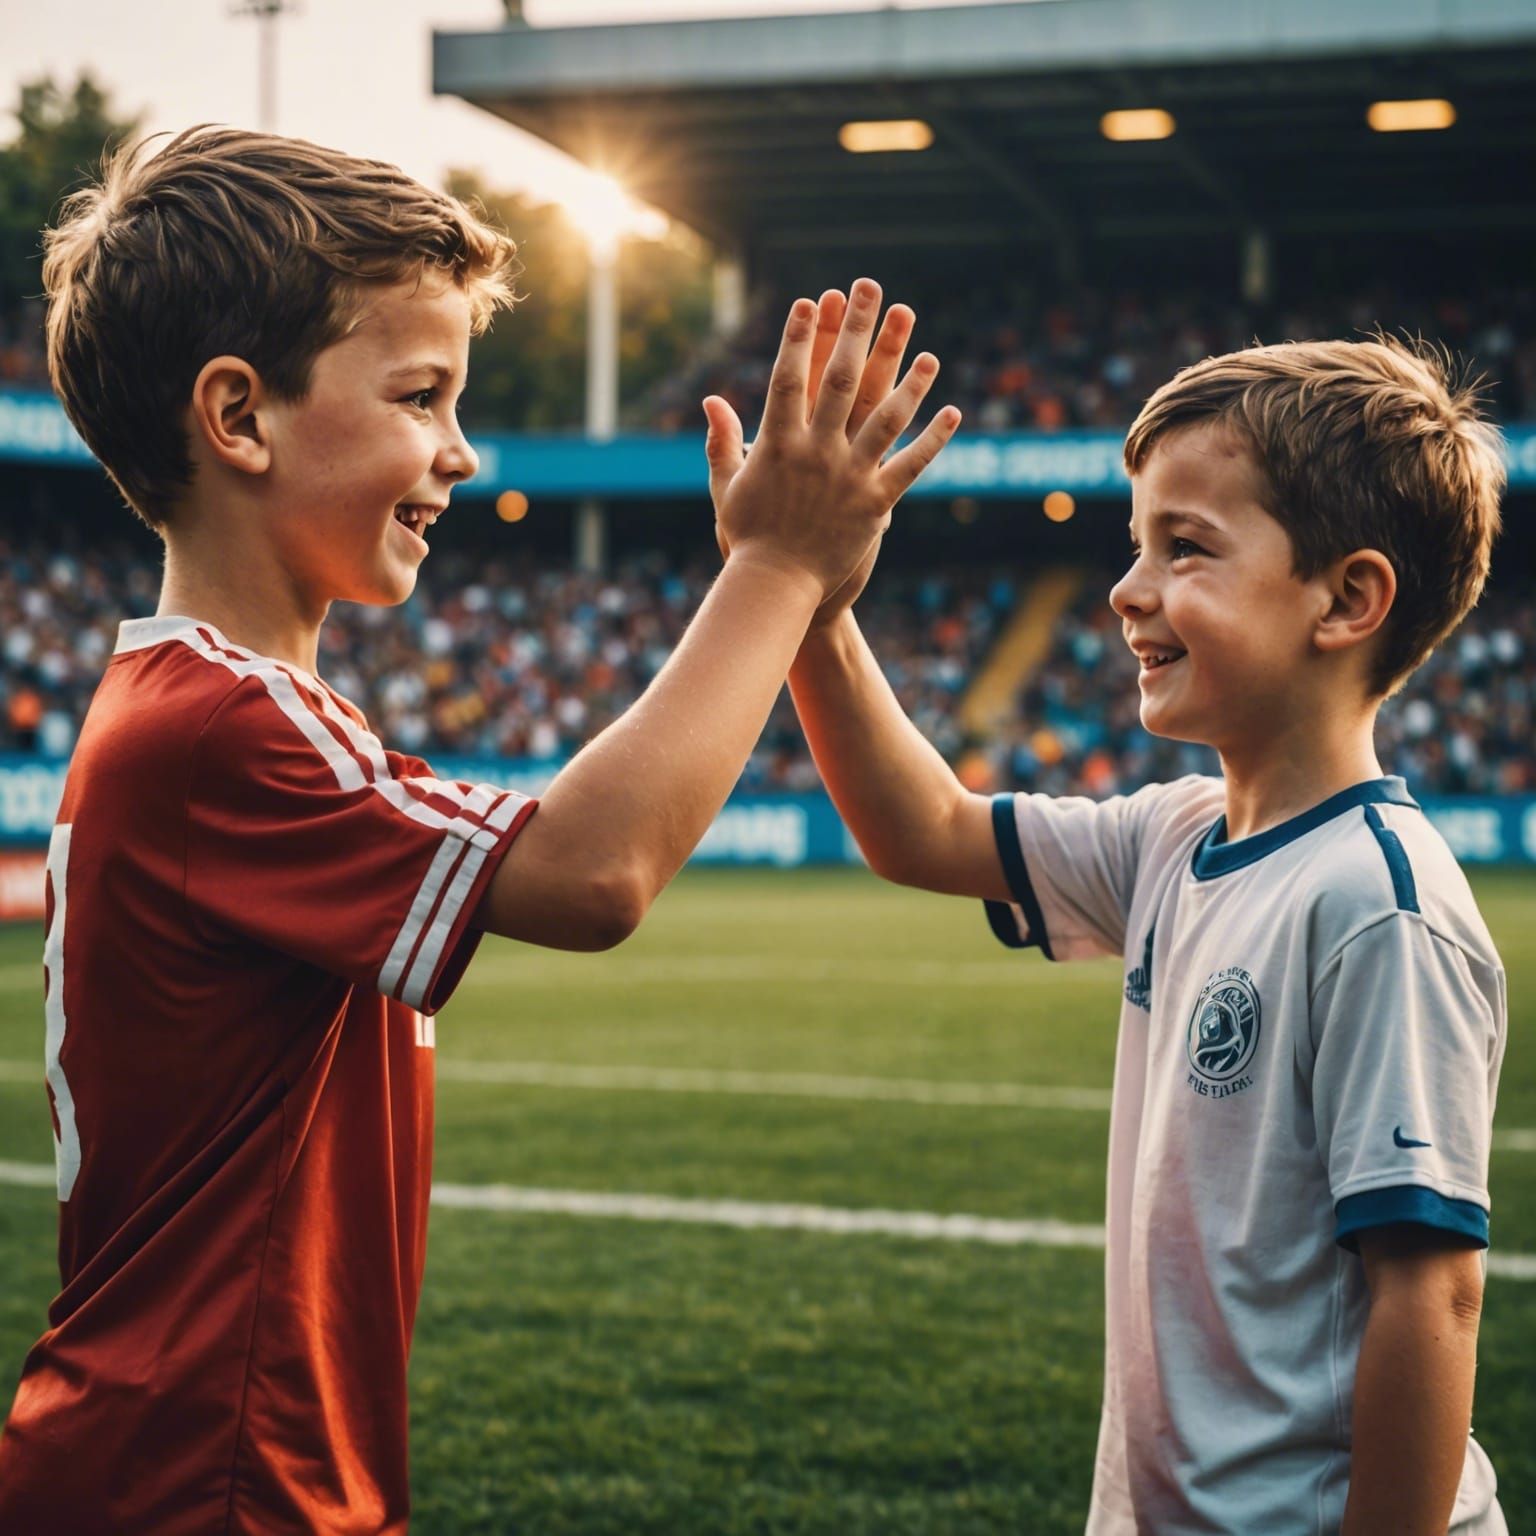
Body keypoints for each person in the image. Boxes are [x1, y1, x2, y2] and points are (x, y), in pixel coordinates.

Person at [0, 128, 958, 1534]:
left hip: (190, 1456)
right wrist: (776, 563)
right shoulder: (224, 726)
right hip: (206, 1477)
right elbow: (591, 870)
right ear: (239, 416)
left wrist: (800, 586)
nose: (460, 448)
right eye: (421, 394)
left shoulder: (197, 703)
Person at [725, 311, 1509, 1533]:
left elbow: (1432, 1297)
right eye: (1135, 543)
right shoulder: (1173, 836)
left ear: (1348, 599)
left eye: (1185, 549)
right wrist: (812, 602)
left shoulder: (1377, 900)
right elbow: (921, 828)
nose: (1126, 589)